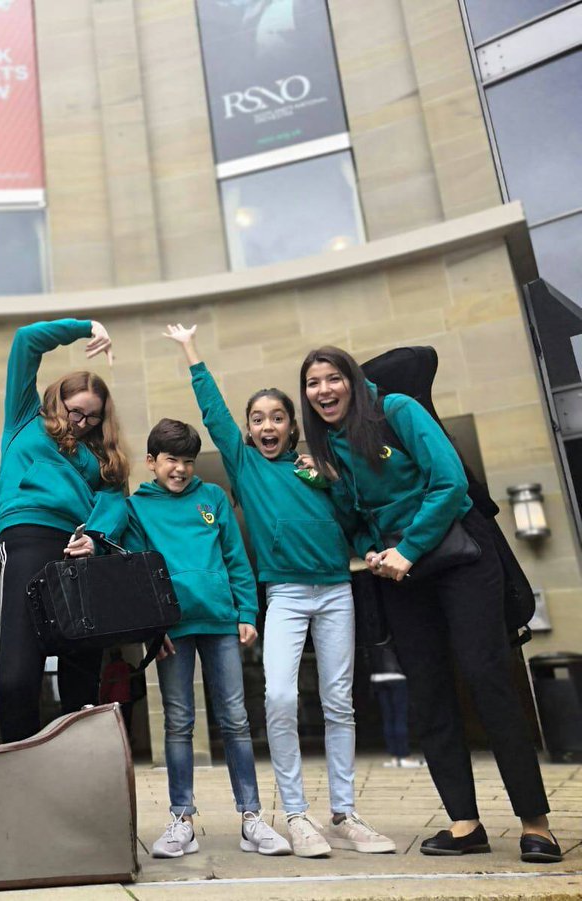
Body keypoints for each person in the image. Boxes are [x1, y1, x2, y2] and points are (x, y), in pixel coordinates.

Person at [299, 345, 560, 863]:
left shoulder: (397, 410)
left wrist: (409, 548)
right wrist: (370, 550)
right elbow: (354, 519)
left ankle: (536, 824)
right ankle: (465, 824)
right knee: (428, 690)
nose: (323, 390)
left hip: (460, 556)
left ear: (352, 381)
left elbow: (449, 482)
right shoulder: (328, 445)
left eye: (332, 378)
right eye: (312, 383)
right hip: (399, 572)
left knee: (487, 678)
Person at [166, 324, 393, 857]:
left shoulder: (319, 467)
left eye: (277, 417)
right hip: (285, 595)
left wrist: (332, 481)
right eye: (258, 419)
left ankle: (344, 814)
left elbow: (355, 516)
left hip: (336, 591)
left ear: (292, 427)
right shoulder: (245, 465)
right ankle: (296, 814)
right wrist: (191, 352)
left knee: (339, 702)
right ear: (249, 430)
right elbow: (214, 415)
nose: (267, 425)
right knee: (280, 697)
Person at [106, 417, 291, 859]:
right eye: (171, 460)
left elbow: (235, 558)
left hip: (221, 622)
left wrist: (247, 611)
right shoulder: (136, 508)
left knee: (236, 719)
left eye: (188, 461)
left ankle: (251, 818)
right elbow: (137, 574)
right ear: (151, 462)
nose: (181, 469)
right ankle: (182, 821)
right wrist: (153, 628)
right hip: (172, 630)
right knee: (178, 721)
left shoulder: (213, 498)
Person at [0, 318, 129, 743]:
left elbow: (115, 499)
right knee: (18, 671)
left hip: (79, 546)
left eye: (93, 417)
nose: (83, 423)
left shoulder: (99, 454)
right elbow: (25, 340)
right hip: (28, 537)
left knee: (82, 668)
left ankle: (80, 756)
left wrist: (97, 538)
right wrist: (87, 326)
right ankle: (19, 753)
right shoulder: (24, 417)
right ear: (58, 400)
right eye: (76, 412)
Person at [366, 640, 423, 768]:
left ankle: (394, 756)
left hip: (378, 676)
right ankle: (404, 755)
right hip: (397, 676)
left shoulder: (372, 634)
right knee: (400, 717)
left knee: (388, 718)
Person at [99, 649, 135, 735]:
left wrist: (102, 701)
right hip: (127, 700)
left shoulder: (110, 668)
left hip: (114, 702)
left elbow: (105, 687)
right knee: (126, 727)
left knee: (116, 728)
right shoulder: (128, 667)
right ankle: (128, 741)